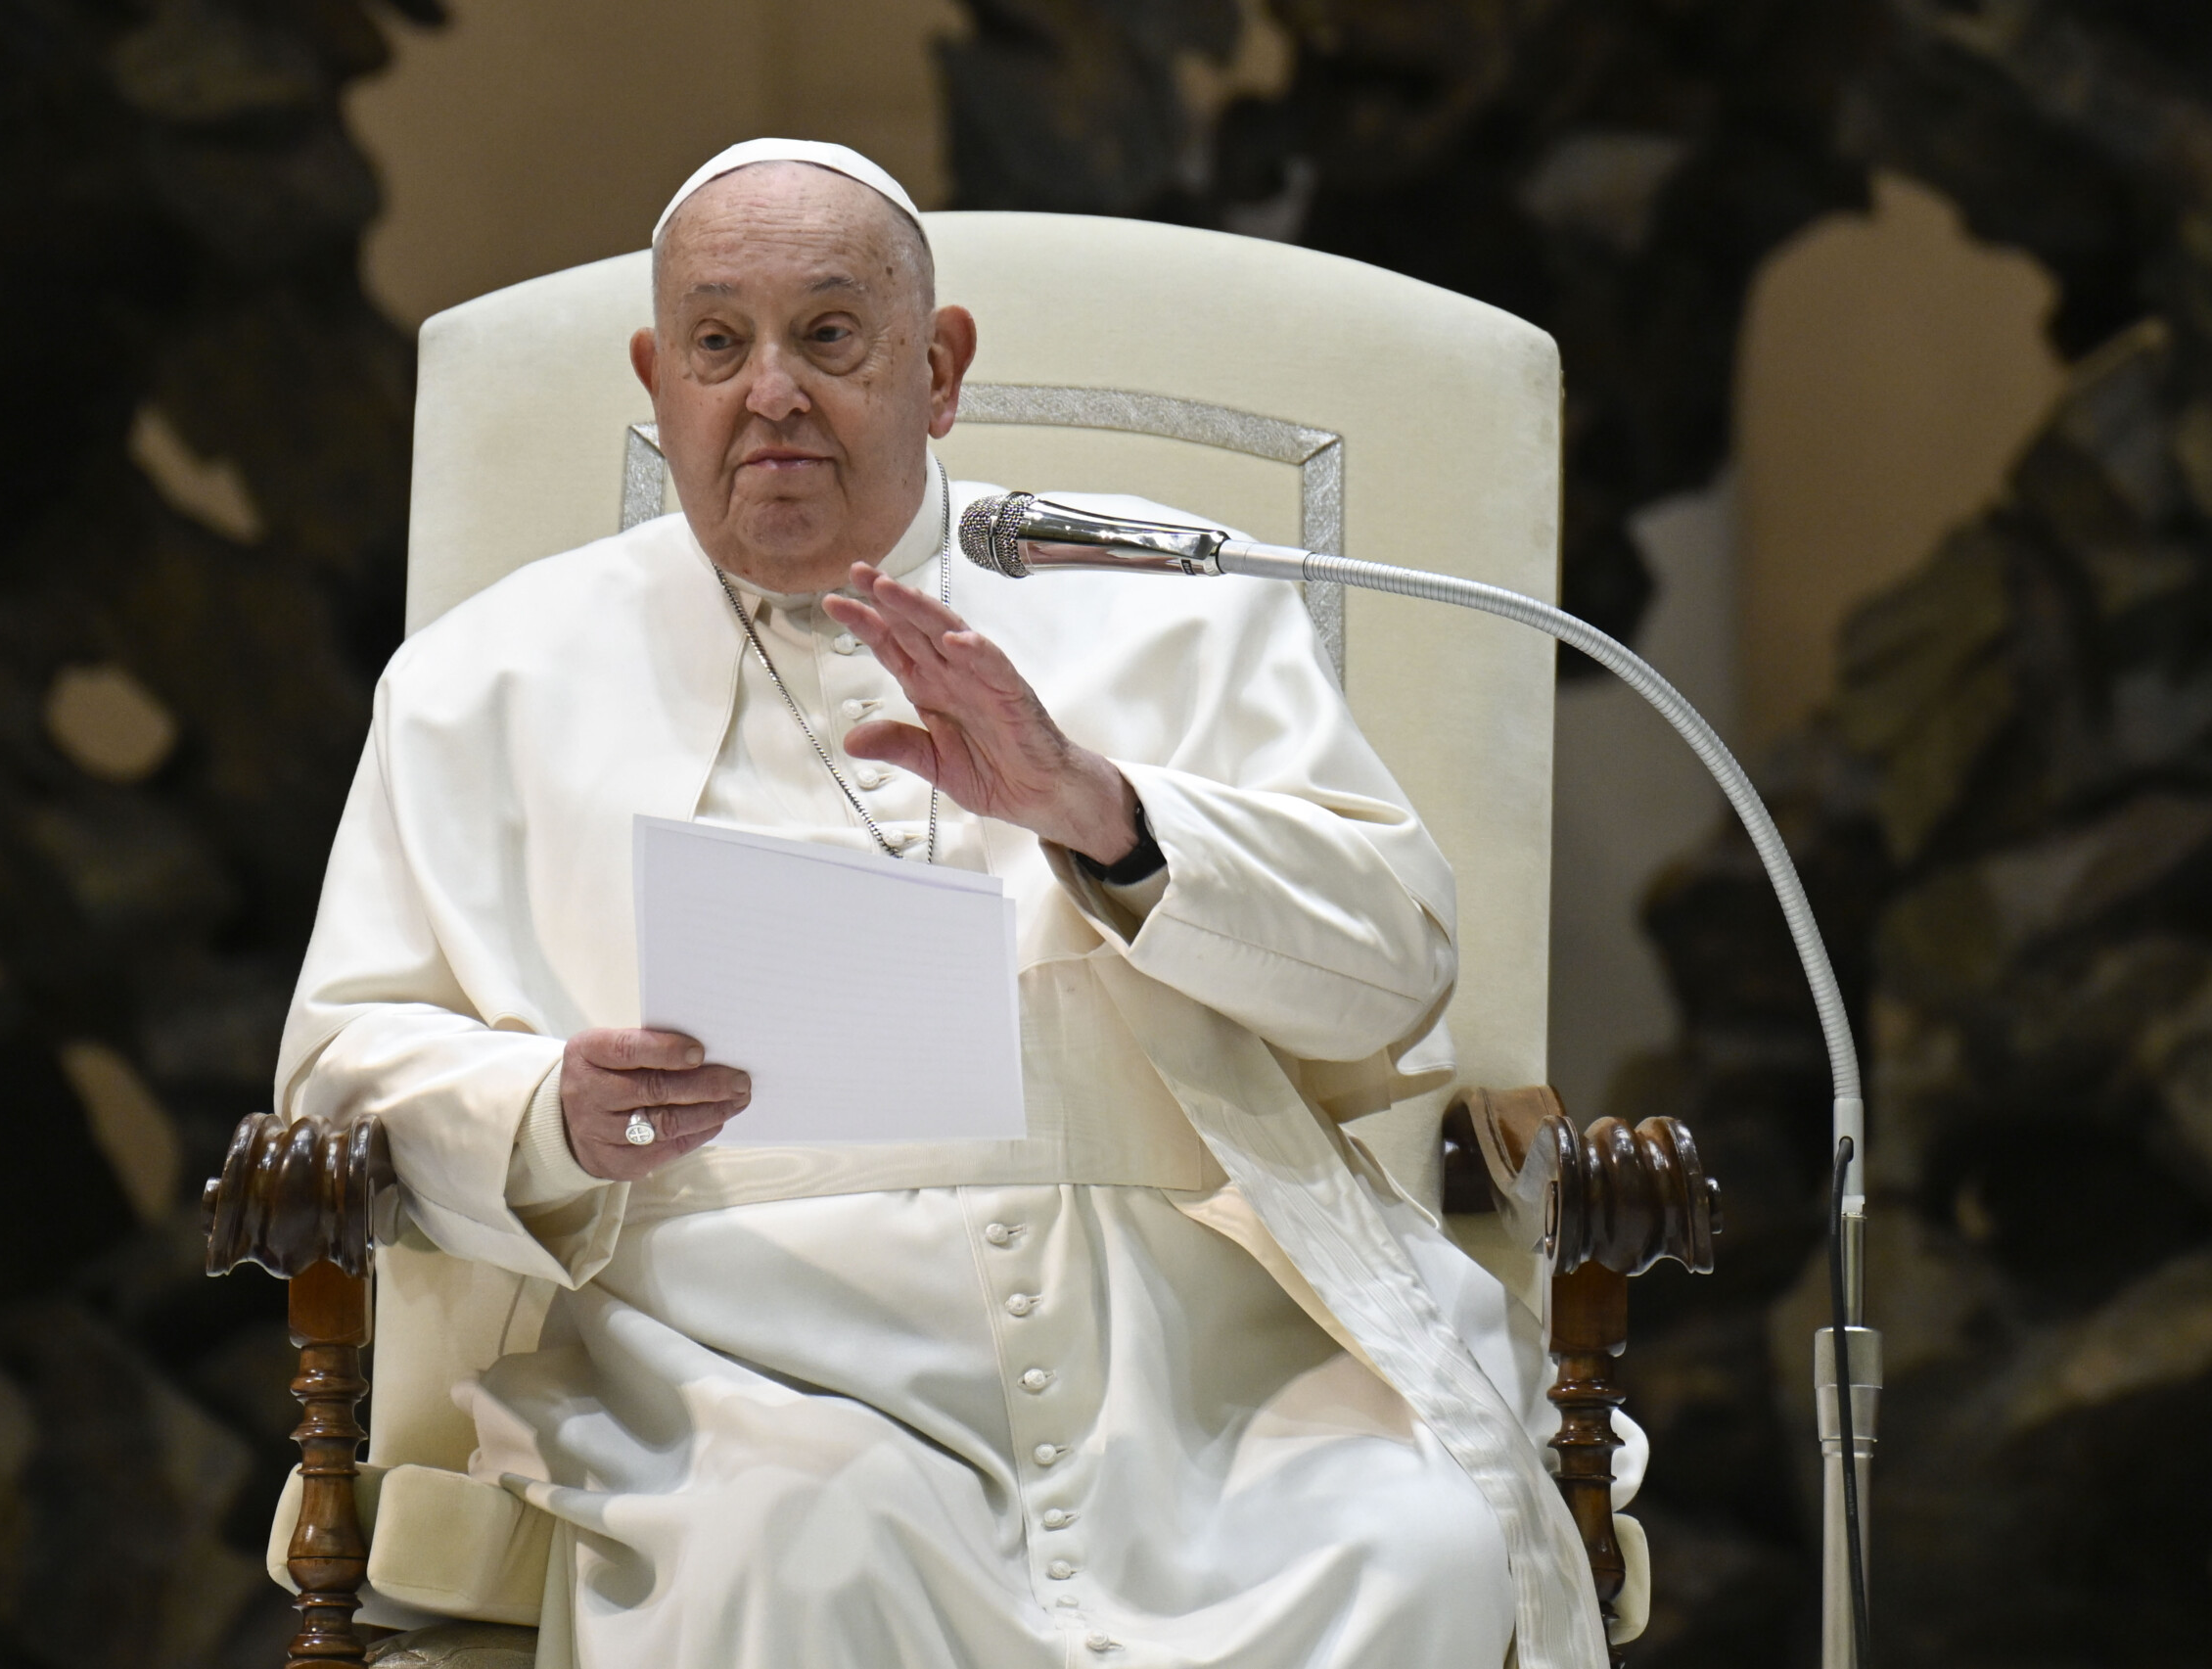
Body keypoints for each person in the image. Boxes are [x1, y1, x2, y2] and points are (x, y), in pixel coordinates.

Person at [277, 139, 1612, 1668]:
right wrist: (540, 1113)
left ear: (942, 364)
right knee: (795, 1553)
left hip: (1195, 1365)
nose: (770, 390)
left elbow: (1400, 962)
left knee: (1413, 1549)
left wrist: (1101, 816)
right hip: (744, 1370)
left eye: (830, 336)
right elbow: (337, 1068)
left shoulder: (1170, 604)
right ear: (657, 378)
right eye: (719, 344)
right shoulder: (478, 683)